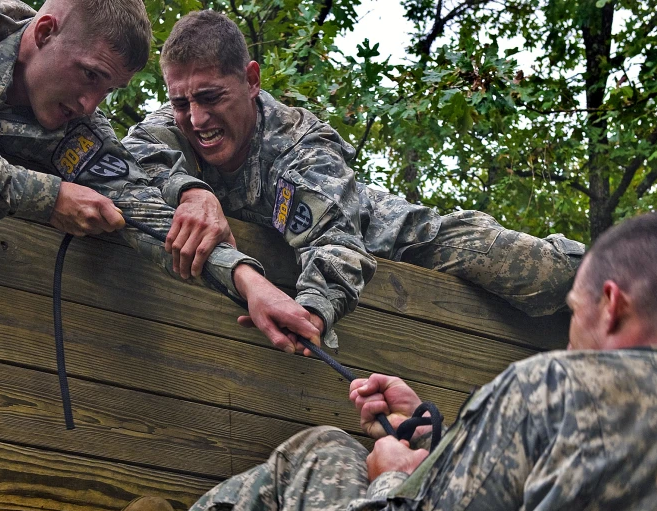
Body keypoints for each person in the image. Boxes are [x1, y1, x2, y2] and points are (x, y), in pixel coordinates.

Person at [115, 210, 657, 511]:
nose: (572, 338)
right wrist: (436, 442)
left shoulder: (552, 388)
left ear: (612, 304)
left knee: (322, 451)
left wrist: (392, 475)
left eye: (573, 312)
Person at [122, 10, 586, 350]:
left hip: (393, 238)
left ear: (251, 80)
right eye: (181, 102)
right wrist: (192, 191)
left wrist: (314, 308)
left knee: (530, 269)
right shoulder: (169, 127)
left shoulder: (302, 144)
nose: (196, 118)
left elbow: (337, 242)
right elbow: (129, 157)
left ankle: (625, 276)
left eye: (209, 97)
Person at [0, 0, 322, 343]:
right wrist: (49, 197)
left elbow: (139, 206)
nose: (90, 103)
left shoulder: (77, 129)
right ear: (45, 32)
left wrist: (250, 283)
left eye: (108, 90)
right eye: (90, 74)